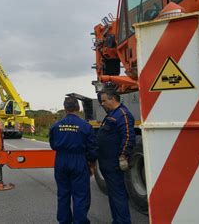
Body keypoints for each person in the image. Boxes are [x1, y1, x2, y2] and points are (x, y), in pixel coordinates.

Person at [49, 96, 97, 224]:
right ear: (78, 108)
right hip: (79, 161)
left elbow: (53, 145)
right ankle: (80, 221)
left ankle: (64, 221)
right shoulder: (86, 126)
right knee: (80, 195)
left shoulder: (55, 126)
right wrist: (91, 164)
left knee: (63, 194)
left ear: (65, 108)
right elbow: (92, 149)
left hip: (61, 160)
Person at [97, 90, 136, 224]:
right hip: (106, 163)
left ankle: (123, 222)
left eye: (104, 101)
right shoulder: (111, 115)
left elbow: (128, 136)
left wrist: (123, 156)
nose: (102, 104)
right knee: (113, 196)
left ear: (113, 99)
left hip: (114, 164)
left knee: (118, 196)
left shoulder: (123, 114)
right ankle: (117, 221)